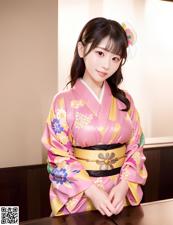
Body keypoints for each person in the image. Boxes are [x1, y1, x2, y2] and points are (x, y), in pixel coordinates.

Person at [41, 17, 147, 217]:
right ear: (82, 49)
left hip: (118, 198)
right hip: (80, 199)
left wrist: (124, 185)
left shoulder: (126, 102)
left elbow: (135, 147)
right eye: (100, 53)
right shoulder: (62, 102)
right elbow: (58, 155)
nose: (107, 65)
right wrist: (92, 191)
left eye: (115, 58)